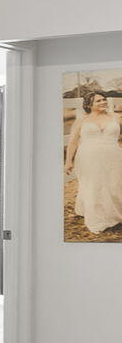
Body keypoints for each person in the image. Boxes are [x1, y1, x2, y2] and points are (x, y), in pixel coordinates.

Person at [67, 90, 122, 235]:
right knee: (93, 186)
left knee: (114, 184)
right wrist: (68, 162)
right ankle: (98, 218)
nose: (103, 102)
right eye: (98, 101)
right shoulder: (82, 121)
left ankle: (114, 215)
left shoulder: (116, 118)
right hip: (88, 157)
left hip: (114, 156)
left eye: (104, 99)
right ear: (89, 105)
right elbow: (72, 142)